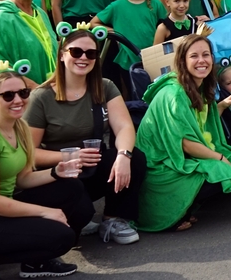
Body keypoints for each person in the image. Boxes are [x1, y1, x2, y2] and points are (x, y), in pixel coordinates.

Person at [0, 61, 93, 280]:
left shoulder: (19, 126)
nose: (18, 100)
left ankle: (33, 262)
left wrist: (56, 172)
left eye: (23, 92)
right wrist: (46, 212)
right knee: (62, 237)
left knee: (70, 187)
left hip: (0, 210)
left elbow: (23, 179)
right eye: (8, 95)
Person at [25, 27, 145, 245]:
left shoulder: (104, 86)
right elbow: (28, 153)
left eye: (91, 53)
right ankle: (78, 215)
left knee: (134, 157)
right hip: (61, 172)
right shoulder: (41, 97)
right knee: (78, 219)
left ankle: (113, 219)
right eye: (76, 52)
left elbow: (124, 126)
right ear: (62, 55)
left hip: (92, 168)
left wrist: (123, 155)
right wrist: (70, 157)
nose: (83, 58)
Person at [135, 34, 231, 231]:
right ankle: (173, 214)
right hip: (161, 161)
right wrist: (220, 158)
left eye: (206, 55)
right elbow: (185, 143)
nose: (201, 60)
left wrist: (221, 105)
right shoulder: (175, 94)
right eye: (194, 56)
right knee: (222, 167)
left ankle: (187, 206)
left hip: (180, 152)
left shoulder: (199, 85)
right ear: (182, 60)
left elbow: (200, 121)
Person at [92, 0, 167, 73]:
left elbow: (166, 25)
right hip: (127, 57)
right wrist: (115, 33)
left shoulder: (156, 4)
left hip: (152, 56)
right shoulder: (116, 6)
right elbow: (93, 23)